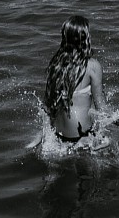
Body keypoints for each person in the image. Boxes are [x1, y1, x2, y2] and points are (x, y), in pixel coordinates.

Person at [44, 14, 109, 150]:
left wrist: (41, 135)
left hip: (59, 133)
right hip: (81, 135)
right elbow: (101, 108)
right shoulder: (92, 66)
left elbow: (48, 106)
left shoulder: (55, 64)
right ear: (85, 39)